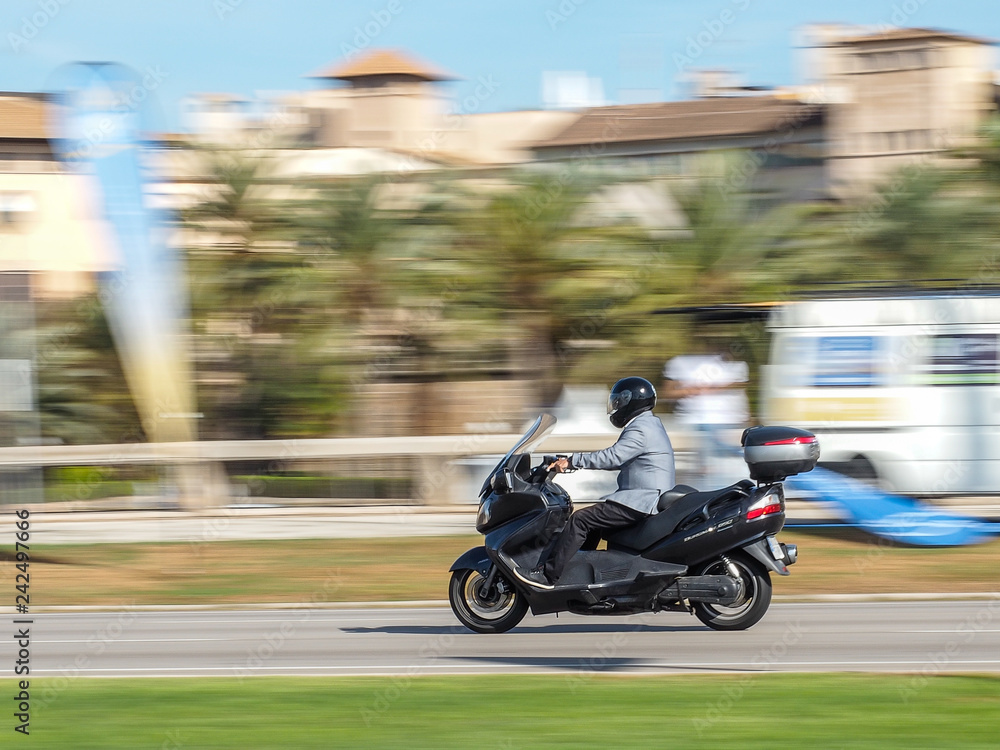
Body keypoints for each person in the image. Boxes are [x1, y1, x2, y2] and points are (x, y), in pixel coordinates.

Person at [513, 376, 675, 589]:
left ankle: (547, 576)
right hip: (645, 497)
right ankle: (578, 571)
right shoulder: (649, 424)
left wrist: (573, 460)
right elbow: (623, 459)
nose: (616, 407)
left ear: (630, 401)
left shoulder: (641, 428)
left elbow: (613, 457)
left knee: (580, 520)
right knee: (593, 524)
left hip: (642, 501)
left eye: (619, 402)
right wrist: (567, 461)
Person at [662, 353, 749, 488]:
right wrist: (690, 390)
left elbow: (741, 385)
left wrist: (714, 388)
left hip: (728, 421)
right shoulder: (680, 362)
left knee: (724, 466)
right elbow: (668, 391)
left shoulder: (735, 361)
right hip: (696, 422)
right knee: (705, 467)